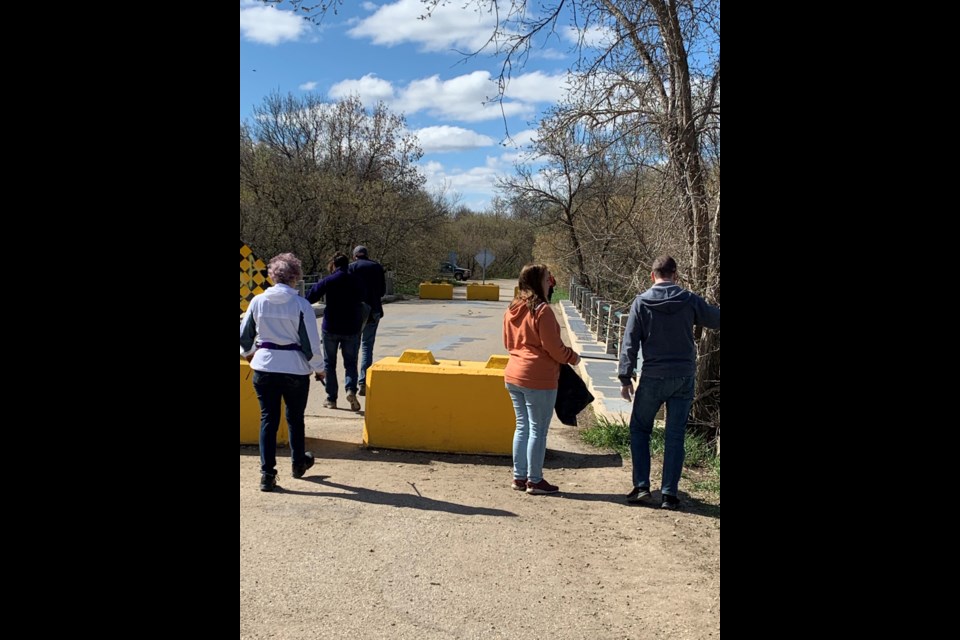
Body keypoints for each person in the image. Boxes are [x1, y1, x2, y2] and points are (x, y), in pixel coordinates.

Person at [618, 255, 720, 510]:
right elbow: (716, 320)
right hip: (683, 376)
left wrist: (625, 376)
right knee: (675, 435)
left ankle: (642, 486)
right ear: (675, 275)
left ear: (653, 276)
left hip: (653, 376)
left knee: (640, 429)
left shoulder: (641, 302)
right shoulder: (689, 300)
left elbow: (630, 342)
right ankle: (669, 494)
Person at [240, 253, 325, 492]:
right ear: (295, 277)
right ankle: (298, 463)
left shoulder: (258, 301)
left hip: (265, 367)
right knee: (295, 418)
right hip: (295, 368)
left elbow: (244, 336)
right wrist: (319, 369)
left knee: (268, 419)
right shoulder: (301, 305)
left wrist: (249, 354)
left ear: (271, 276)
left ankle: (267, 474)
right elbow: (310, 344)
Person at [503, 264, 580, 495]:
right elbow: (553, 347)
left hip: (513, 373)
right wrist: (571, 357)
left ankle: (519, 477)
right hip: (539, 377)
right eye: (548, 279)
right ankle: (535, 480)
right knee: (538, 429)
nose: (551, 282)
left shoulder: (512, 308)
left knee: (522, 426)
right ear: (538, 282)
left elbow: (508, 343)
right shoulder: (542, 311)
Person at [306, 252, 363, 412]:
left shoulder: (329, 280)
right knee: (350, 363)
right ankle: (351, 390)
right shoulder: (356, 280)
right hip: (352, 327)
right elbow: (365, 296)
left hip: (331, 326)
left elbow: (310, 296)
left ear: (334, 264)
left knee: (329, 364)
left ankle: (331, 398)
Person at [347, 245, 386, 396]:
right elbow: (382, 291)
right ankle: (364, 382)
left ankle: (352, 384)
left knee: (353, 347)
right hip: (374, 310)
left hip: (355, 313)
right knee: (367, 346)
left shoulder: (351, 268)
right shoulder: (377, 267)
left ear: (354, 255)